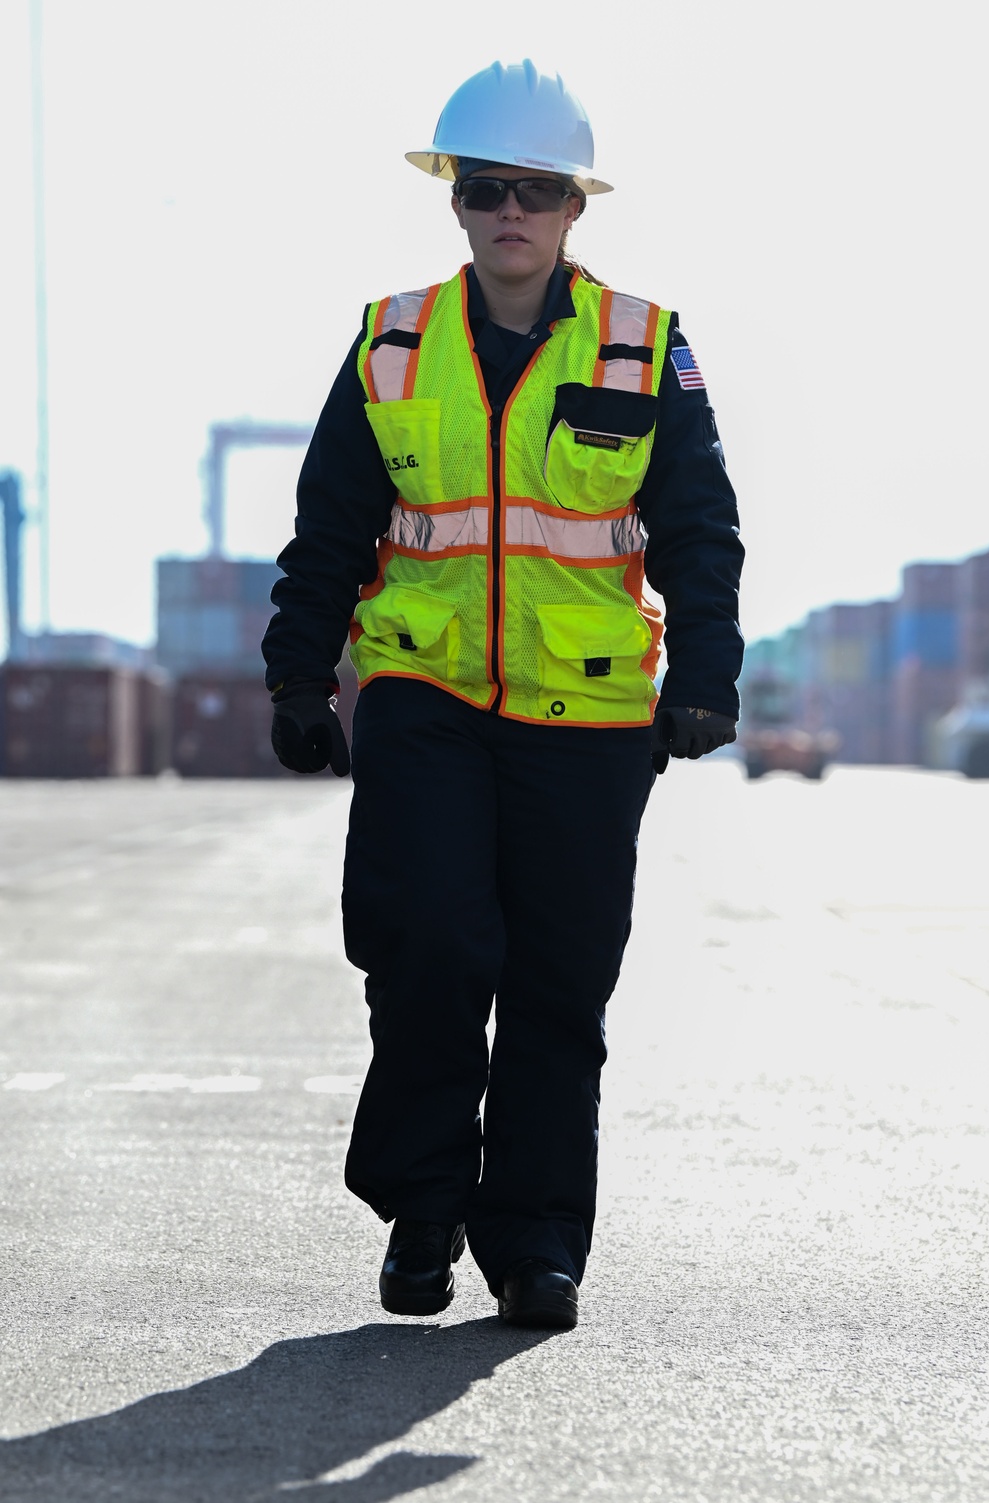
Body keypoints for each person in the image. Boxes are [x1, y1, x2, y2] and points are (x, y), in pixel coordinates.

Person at [262, 59, 744, 1330]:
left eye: (537, 191)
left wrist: (705, 675)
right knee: (427, 945)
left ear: (575, 208)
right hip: (424, 694)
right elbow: (328, 530)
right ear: (457, 203)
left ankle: (534, 1244)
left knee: (554, 981)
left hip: (586, 719)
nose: (511, 213)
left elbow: (700, 530)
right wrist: (299, 679)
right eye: (487, 191)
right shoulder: (390, 342)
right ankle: (422, 1212)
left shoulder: (646, 346)